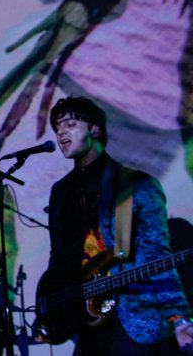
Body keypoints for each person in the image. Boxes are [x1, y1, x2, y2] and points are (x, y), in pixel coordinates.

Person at [41, 96, 193, 355]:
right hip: (85, 321)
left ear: (95, 129)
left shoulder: (137, 185)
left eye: (70, 123)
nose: (61, 131)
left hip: (133, 317)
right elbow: (59, 258)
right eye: (57, 127)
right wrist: (50, 311)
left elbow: (157, 255)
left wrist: (179, 319)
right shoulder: (60, 192)